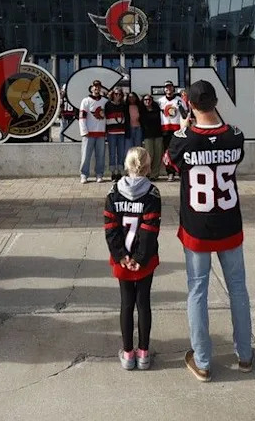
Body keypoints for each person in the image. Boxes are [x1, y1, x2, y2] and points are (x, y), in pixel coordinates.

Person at [164, 80, 252, 382]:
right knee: (238, 288)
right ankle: (245, 355)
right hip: (228, 221)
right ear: (216, 102)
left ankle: (202, 360)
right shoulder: (235, 135)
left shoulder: (183, 139)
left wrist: (185, 127)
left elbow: (168, 163)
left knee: (197, 290)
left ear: (189, 104)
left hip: (197, 226)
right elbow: (234, 151)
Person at [104, 146, 161, 371]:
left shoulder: (113, 192)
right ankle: (144, 353)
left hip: (122, 258)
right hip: (144, 259)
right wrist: (140, 257)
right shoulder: (152, 193)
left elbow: (110, 228)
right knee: (143, 303)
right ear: (147, 167)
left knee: (126, 303)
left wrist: (122, 256)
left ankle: (128, 353)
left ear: (127, 166)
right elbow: (150, 229)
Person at [78, 80, 108, 184]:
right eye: (95, 87)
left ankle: (99, 174)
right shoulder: (85, 101)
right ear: (91, 88)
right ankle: (84, 175)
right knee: (86, 155)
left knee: (100, 156)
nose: (97, 88)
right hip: (88, 133)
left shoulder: (105, 101)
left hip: (101, 133)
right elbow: (82, 117)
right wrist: (84, 130)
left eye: (98, 87)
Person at [158, 81, 187, 182]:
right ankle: (170, 173)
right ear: (164, 89)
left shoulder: (179, 100)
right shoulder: (160, 101)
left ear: (173, 89)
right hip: (165, 130)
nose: (168, 89)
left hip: (177, 129)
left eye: (170, 87)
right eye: (166, 87)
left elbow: (185, 114)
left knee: (179, 150)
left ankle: (180, 171)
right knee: (167, 152)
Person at [105, 88, 130, 182]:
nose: (118, 96)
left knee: (121, 153)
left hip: (121, 132)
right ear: (112, 95)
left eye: (119, 94)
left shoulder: (123, 105)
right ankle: (112, 173)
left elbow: (126, 118)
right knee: (112, 153)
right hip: (111, 133)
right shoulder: (108, 105)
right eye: (116, 94)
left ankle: (119, 172)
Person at [139, 94, 163, 180]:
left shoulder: (157, 109)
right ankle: (147, 173)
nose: (147, 101)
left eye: (149, 99)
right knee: (149, 155)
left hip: (158, 135)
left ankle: (154, 175)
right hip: (147, 136)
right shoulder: (141, 111)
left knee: (158, 155)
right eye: (145, 100)